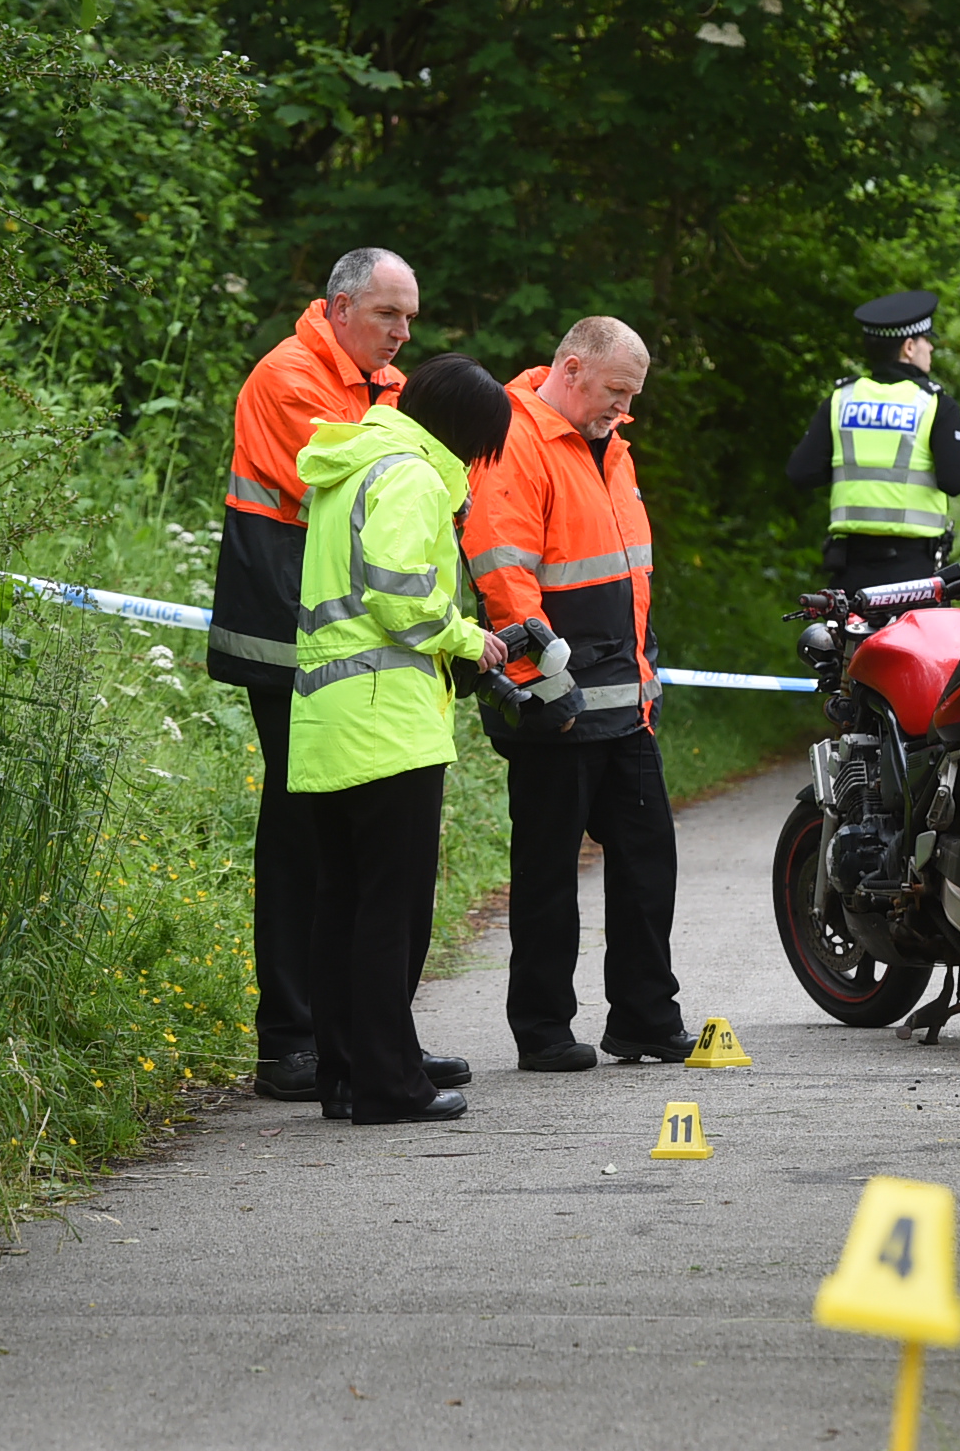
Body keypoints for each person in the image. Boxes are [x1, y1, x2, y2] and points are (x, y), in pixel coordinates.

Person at [206, 247, 420, 1103]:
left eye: (409, 318)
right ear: (337, 309)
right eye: (387, 316)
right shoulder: (290, 376)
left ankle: (364, 1041)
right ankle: (290, 1041)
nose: (403, 334)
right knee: (302, 836)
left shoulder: (379, 385)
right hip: (283, 632)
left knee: (351, 838)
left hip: (341, 636)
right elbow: (363, 488)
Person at [287, 354, 512, 1125]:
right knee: (392, 908)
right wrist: (464, 637)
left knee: (341, 902)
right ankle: (391, 1085)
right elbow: (397, 593)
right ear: (461, 433)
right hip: (389, 723)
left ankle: (344, 1074)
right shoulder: (412, 477)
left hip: (327, 718)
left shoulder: (348, 466)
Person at [462, 318, 688, 1073]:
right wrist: (537, 688)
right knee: (548, 874)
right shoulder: (514, 439)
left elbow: (630, 580)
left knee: (649, 861)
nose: (625, 410)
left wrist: (645, 673)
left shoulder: (612, 449)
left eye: (633, 397)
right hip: (553, 706)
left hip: (624, 705)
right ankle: (542, 1028)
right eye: (617, 391)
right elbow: (503, 577)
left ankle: (644, 1019)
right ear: (571, 366)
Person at [785, 290, 960, 592]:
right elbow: (956, 480)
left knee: (847, 641)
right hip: (915, 575)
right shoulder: (935, 404)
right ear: (910, 347)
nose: (931, 348)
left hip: (850, 573)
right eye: (929, 340)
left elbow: (801, 473)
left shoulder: (841, 399)